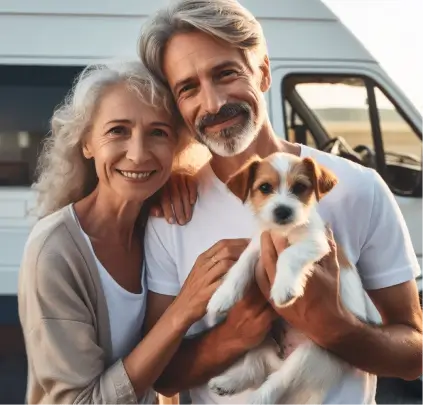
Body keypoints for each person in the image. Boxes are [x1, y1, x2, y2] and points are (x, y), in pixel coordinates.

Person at [138, 1, 423, 404]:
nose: (214, 103)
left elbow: (415, 354)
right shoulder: (170, 214)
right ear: (178, 106)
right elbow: (164, 377)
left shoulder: (359, 188)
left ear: (265, 72)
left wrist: (336, 326)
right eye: (189, 88)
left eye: (226, 73)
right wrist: (234, 334)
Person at [17, 60, 232, 405]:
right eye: (118, 131)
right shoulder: (55, 253)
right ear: (87, 143)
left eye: (158, 133)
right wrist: (182, 310)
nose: (138, 153)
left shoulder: (158, 223)